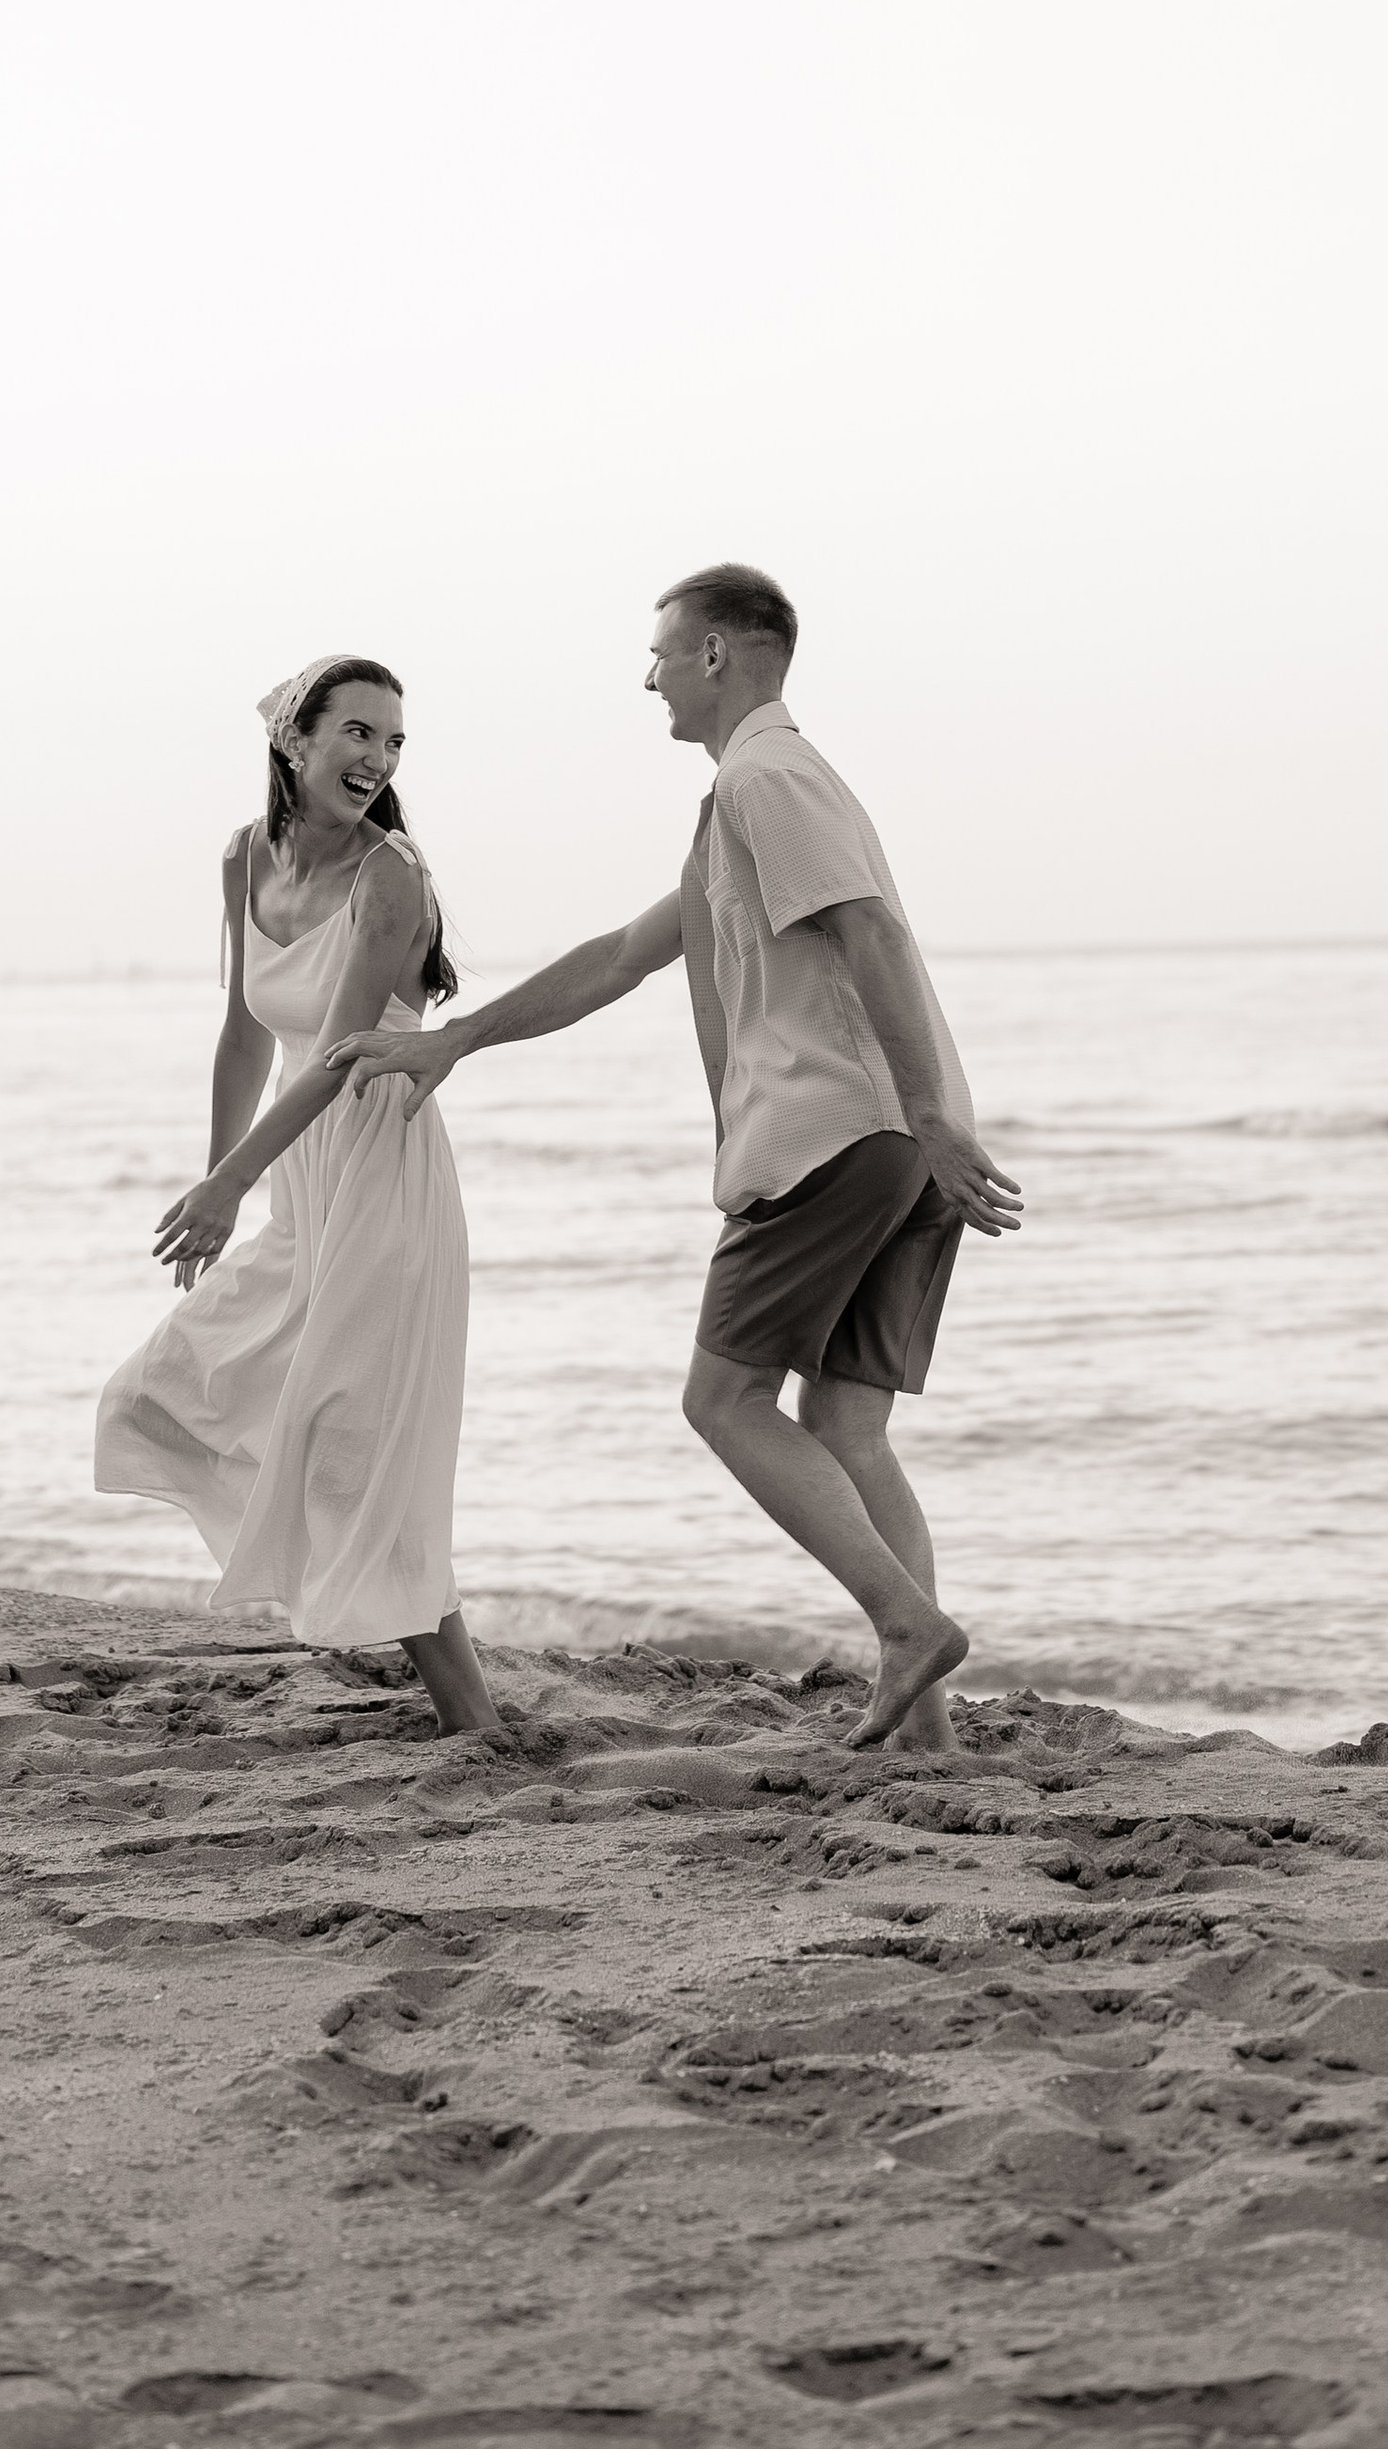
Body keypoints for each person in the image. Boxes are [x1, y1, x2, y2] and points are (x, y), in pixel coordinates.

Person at [333, 567, 1019, 1748]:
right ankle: (930, 1733)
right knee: (847, 1430)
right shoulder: (743, 802)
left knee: (723, 1399)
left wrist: (928, 1115)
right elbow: (618, 955)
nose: (646, 673)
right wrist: (458, 1038)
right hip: (897, 1139)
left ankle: (906, 1625)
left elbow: (871, 932)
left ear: (715, 656)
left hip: (835, 1137)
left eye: (660, 651)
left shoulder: (767, 776)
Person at [94, 655, 501, 1737]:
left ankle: (472, 1717)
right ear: (294, 740)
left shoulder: (391, 875)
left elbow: (333, 1059)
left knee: (354, 1443)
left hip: (381, 1169)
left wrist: (232, 1182)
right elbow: (242, 1032)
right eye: (357, 733)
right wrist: (216, 1180)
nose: (376, 759)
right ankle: (458, 1699)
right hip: (299, 1183)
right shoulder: (244, 857)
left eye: (394, 742)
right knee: (165, 1390)